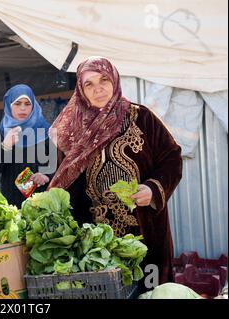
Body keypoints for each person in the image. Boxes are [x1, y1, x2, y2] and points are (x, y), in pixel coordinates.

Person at [48, 56, 183, 285]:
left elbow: (171, 157)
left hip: (146, 229)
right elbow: (68, 184)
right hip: (99, 243)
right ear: (80, 90)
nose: (98, 89)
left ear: (114, 80)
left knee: (151, 290)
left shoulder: (141, 118)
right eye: (88, 84)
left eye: (103, 80)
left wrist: (153, 189)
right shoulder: (74, 132)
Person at [0, 84, 56, 207]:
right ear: (9, 105)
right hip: (11, 209)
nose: (22, 108)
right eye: (17, 104)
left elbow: (60, 165)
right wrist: (5, 146)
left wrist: (47, 175)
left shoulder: (46, 132)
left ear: (33, 106)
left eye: (27, 104)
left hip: (42, 206)